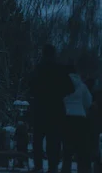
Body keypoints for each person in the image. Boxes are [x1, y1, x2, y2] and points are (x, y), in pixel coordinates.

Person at [30, 45, 75, 173]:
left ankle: (38, 165)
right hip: (55, 109)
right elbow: (70, 88)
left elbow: (31, 86)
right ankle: (52, 166)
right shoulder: (60, 70)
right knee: (53, 140)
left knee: (37, 139)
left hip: (40, 108)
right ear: (54, 54)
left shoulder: (38, 69)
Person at [61, 64, 92, 173]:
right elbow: (88, 102)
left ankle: (66, 169)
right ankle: (82, 169)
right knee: (81, 148)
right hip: (80, 118)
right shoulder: (82, 86)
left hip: (67, 117)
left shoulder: (62, 84)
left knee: (67, 148)